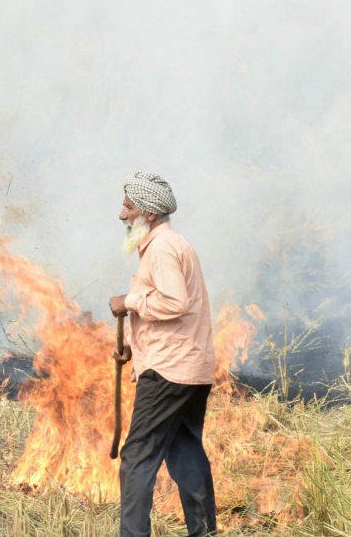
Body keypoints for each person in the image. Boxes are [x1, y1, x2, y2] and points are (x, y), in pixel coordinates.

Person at [108, 171, 217, 537]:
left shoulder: (163, 248)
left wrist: (128, 302)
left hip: (169, 373)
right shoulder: (171, 246)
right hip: (190, 370)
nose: (122, 215)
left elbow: (175, 302)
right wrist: (132, 349)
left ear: (150, 214)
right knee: (186, 455)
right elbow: (172, 314)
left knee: (137, 458)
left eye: (128, 207)